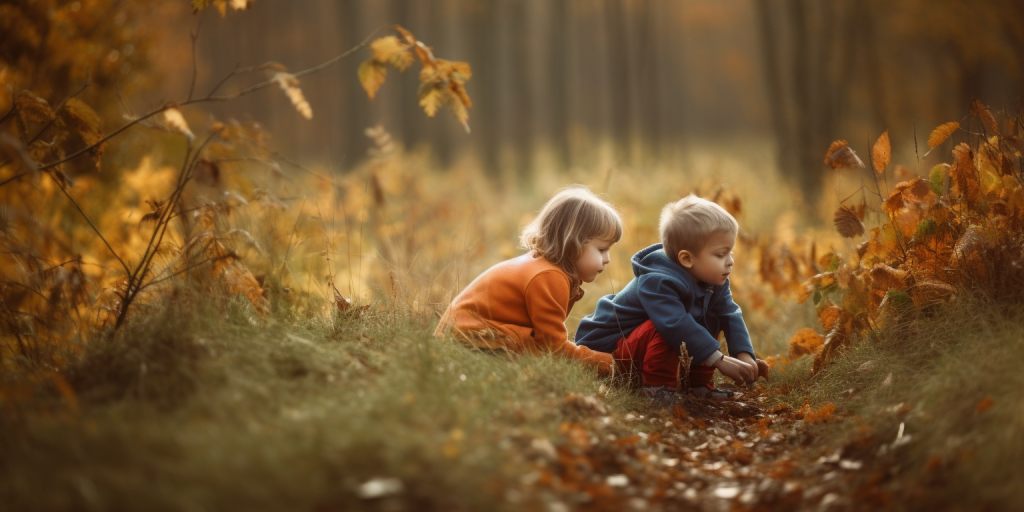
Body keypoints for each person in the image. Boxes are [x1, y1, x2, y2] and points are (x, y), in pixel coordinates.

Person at [575, 194, 769, 399]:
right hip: (610, 348)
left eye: (731, 252)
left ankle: (698, 385)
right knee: (674, 326)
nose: (729, 262)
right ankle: (659, 390)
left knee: (710, 316)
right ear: (686, 258)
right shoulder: (658, 281)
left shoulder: (713, 280)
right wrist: (719, 360)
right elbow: (673, 324)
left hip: (641, 347)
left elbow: (730, 313)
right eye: (720, 255)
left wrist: (744, 356)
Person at [435, 186, 623, 375]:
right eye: (601, 250)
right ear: (572, 244)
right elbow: (552, 347)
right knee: (532, 348)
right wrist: (606, 363)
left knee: (531, 345)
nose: (607, 259)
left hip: (463, 333)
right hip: (470, 336)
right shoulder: (549, 276)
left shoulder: (546, 267)